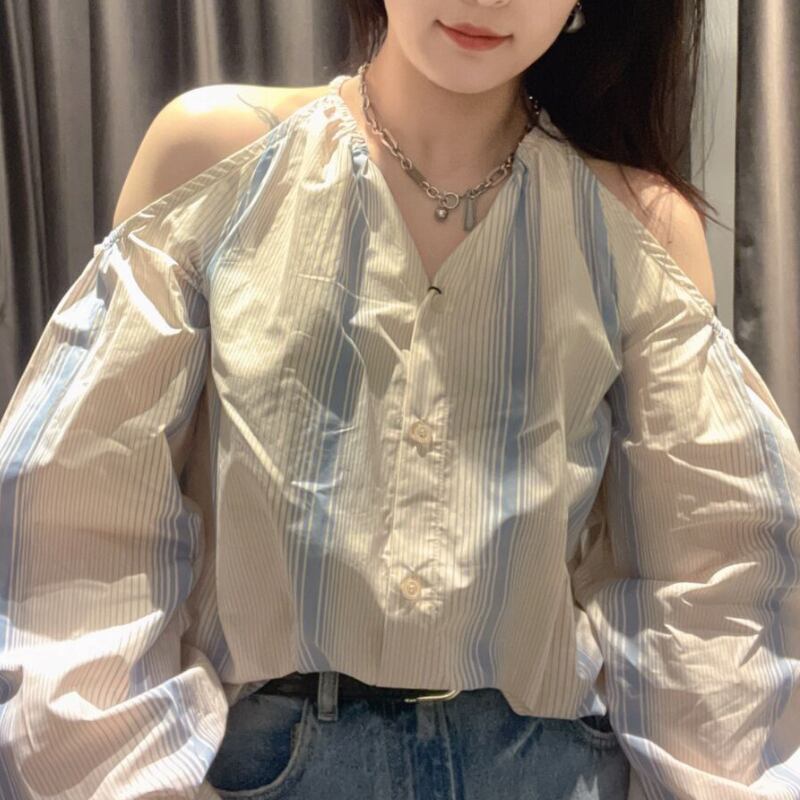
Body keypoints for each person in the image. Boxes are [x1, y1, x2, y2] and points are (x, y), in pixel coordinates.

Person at [0, 0, 797, 798]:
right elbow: (82, 532)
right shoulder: (214, 162)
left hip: (549, 767)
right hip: (272, 763)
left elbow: (711, 587)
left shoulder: (640, 228)